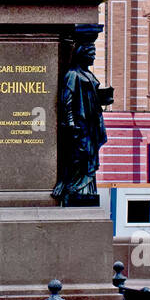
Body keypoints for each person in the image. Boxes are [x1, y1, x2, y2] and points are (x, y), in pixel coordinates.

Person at [52, 41, 108, 204]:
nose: (93, 57)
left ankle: (86, 190)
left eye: (94, 54)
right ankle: (74, 188)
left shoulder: (88, 74)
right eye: (91, 53)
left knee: (89, 156)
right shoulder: (72, 74)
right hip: (79, 124)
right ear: (81, 53)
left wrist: (103, 97)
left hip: (91, 123)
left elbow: (92, 96)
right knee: (79, 157)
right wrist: (70, 122)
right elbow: (66, 100)